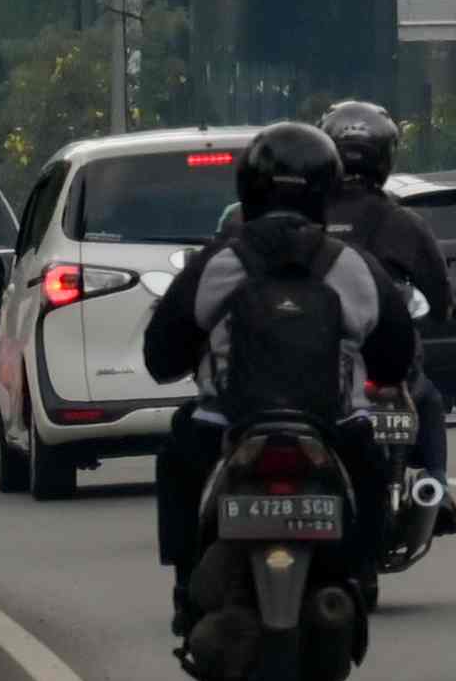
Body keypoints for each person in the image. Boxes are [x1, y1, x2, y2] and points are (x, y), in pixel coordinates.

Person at [142, 117, 392, 605]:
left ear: (248, 188)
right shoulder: (352, 265)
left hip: (224, 427)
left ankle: (186, 583)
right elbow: (395, 354)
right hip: (336, 428)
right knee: (372, 466)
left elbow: (161, 355)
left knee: (178, 454)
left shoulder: (217, 262)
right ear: (327, 190)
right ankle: (362, 578)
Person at [312, 98, 456, 507]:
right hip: (381, 359)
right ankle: (438, 486)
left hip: (306, 359)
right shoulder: (403, 222)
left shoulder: (303, 216)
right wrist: (444, 311)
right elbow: (440, 296)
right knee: (426, 398)